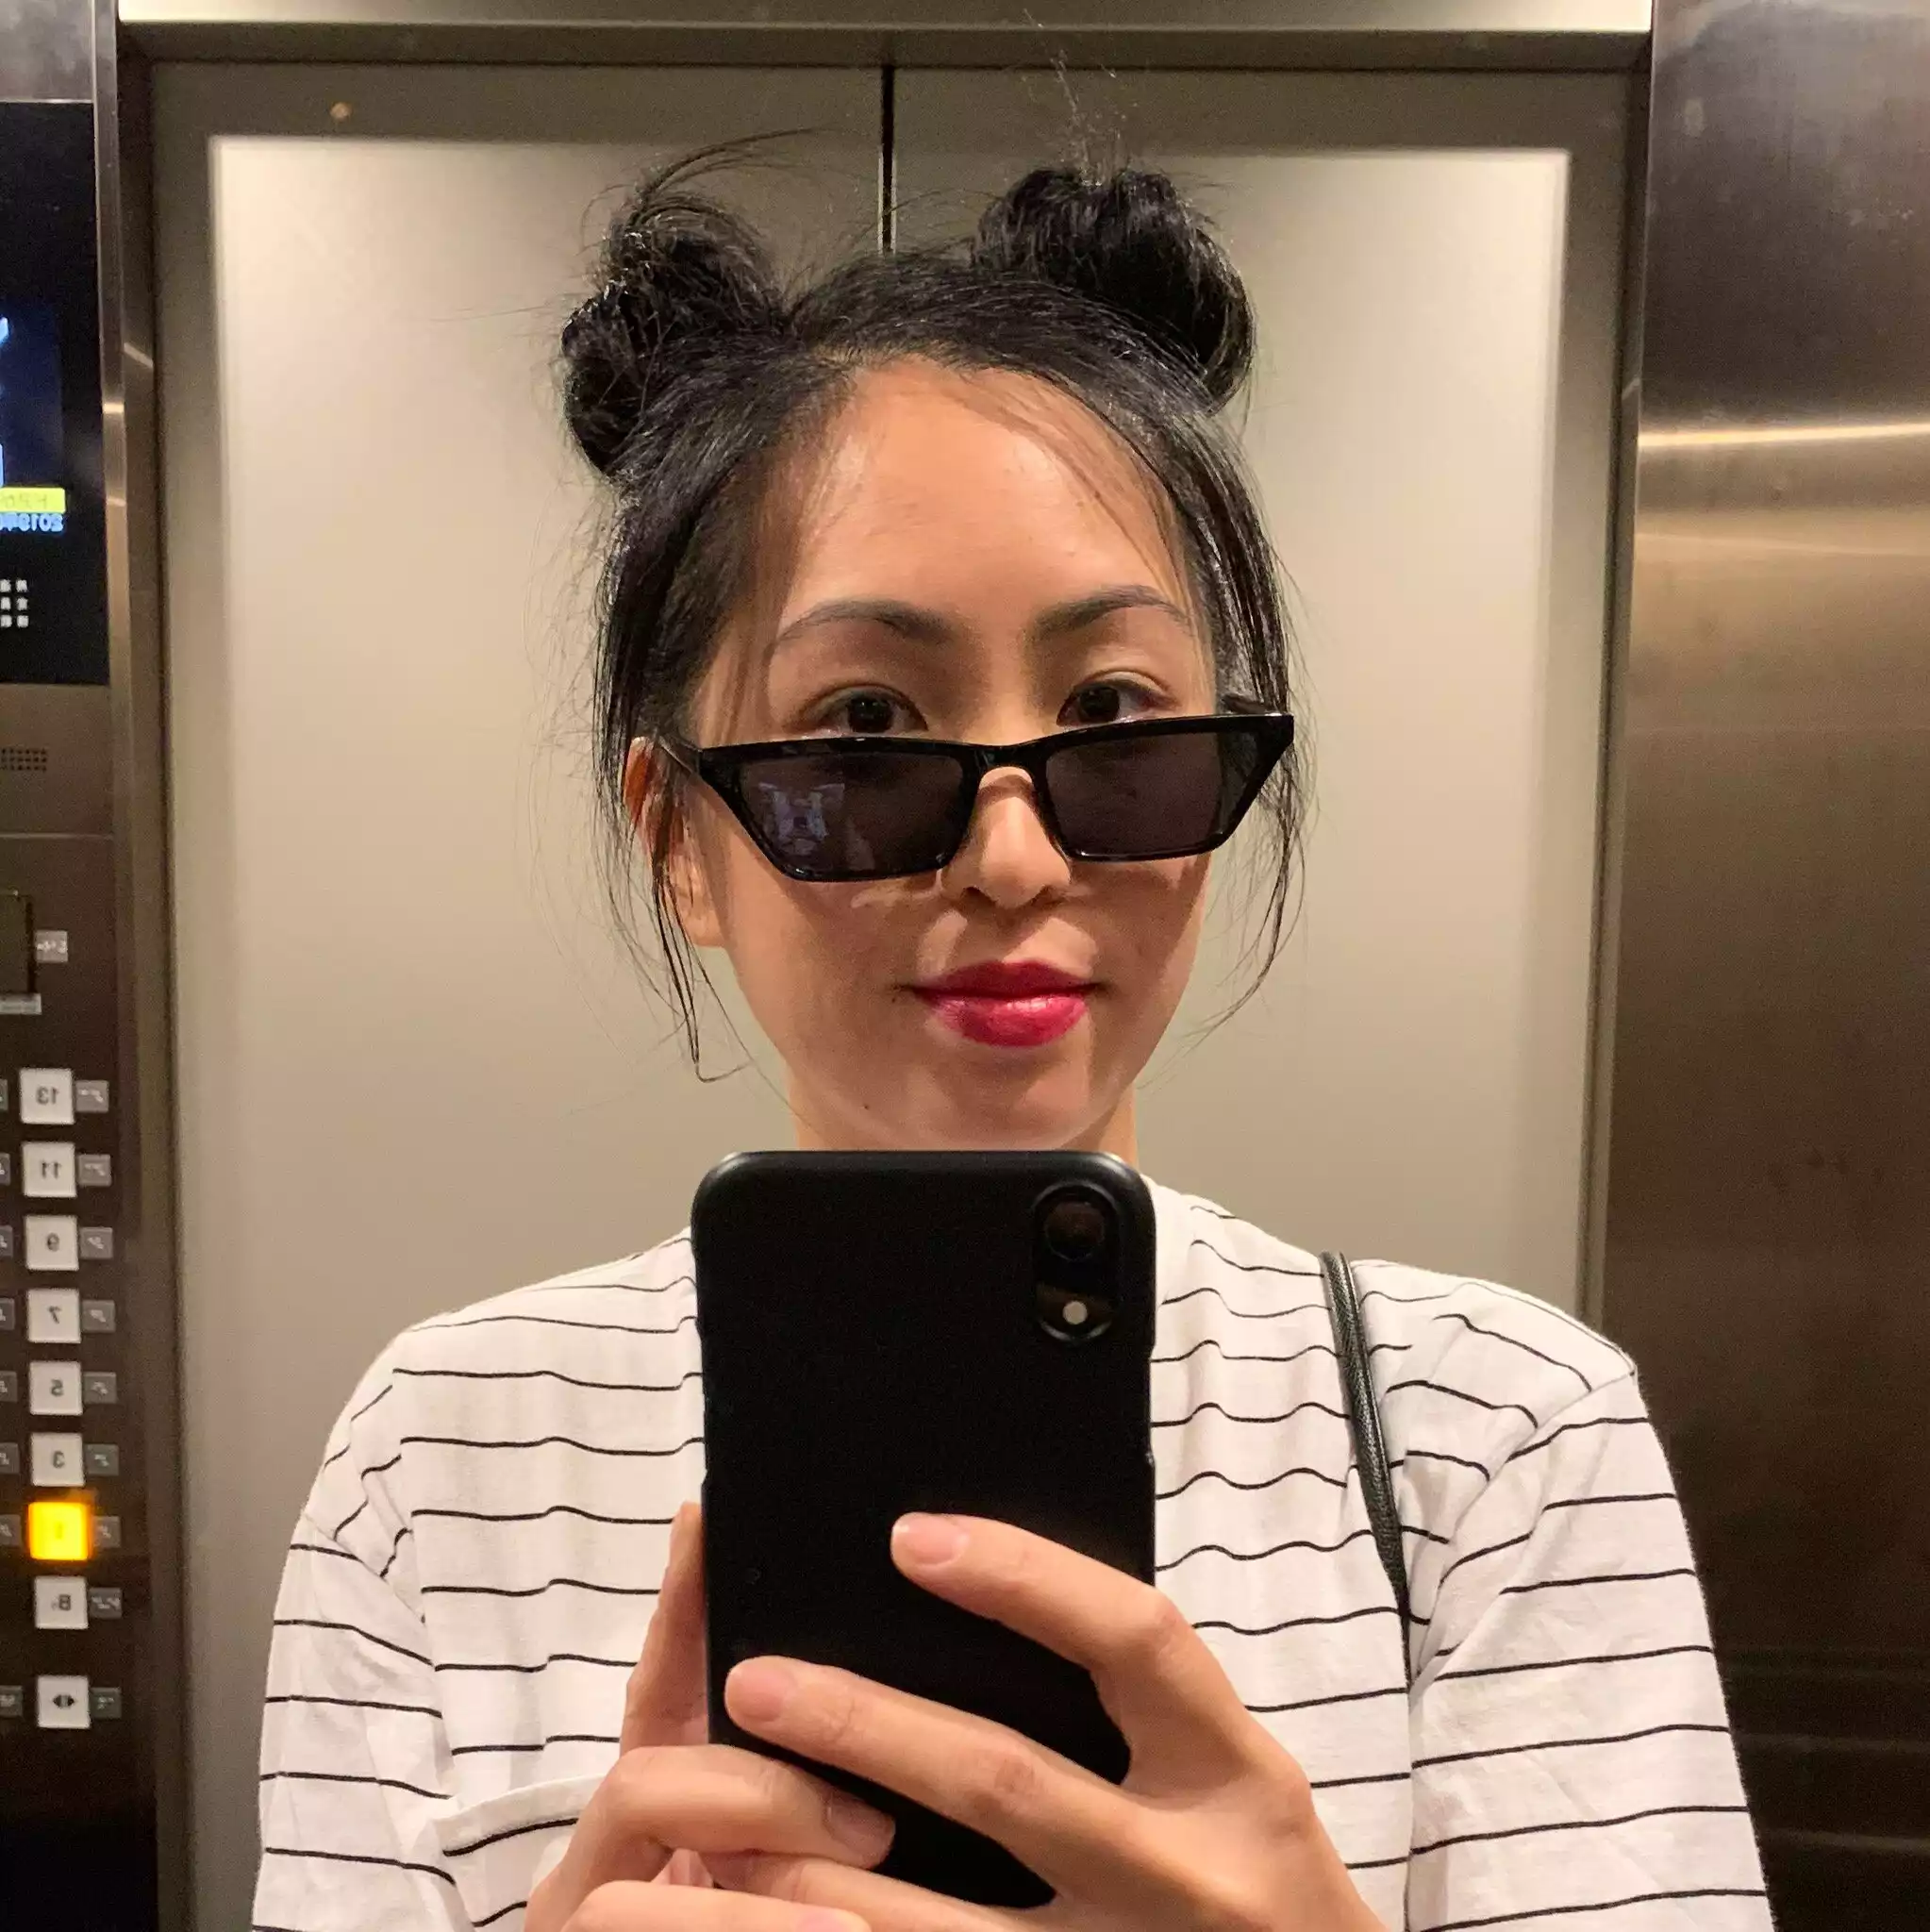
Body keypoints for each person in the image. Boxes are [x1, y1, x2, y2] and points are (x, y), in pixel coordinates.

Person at [254, 155, 1770, 1932]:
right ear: (678, 841)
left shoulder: (1494, 1433)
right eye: (863, 727)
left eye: (1114, 714)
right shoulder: (442, 1453)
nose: (1015, 859)